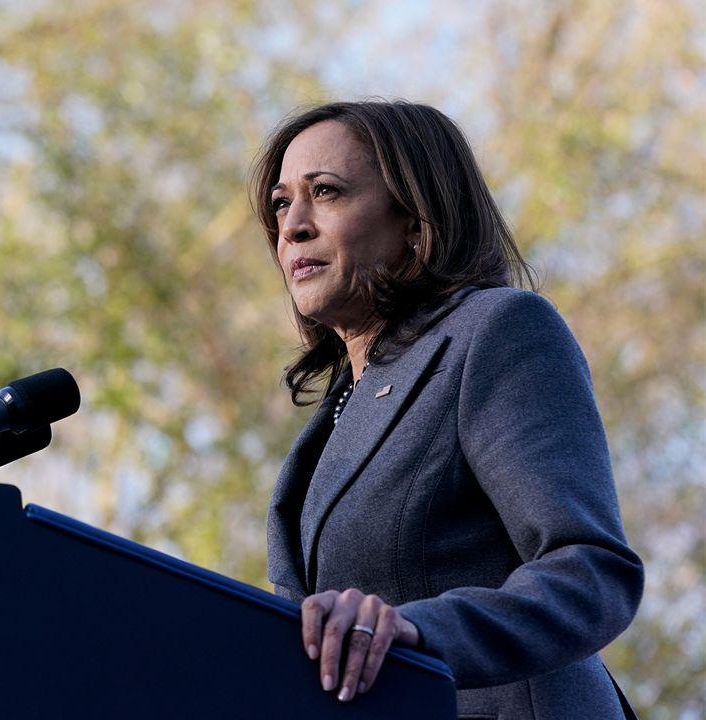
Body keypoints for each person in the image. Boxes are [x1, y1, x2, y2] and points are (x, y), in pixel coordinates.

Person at [250, 100, 644, 719]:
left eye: (324, 192)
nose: (292, 226)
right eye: (280, 203)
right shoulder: (335, 417)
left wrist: (415, 634)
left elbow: (590, 574)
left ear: (415, 219)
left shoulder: (497, 332)